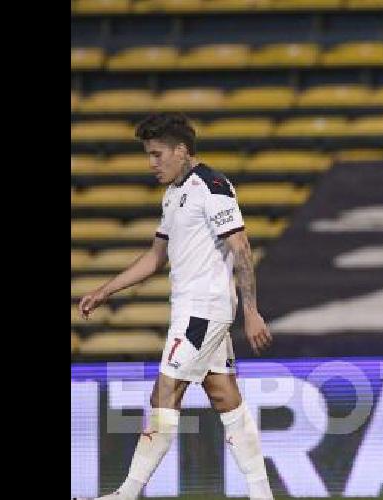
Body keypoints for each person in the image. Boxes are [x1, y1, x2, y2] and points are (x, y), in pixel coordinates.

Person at [77, 112, 274, 500]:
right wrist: (106, 290)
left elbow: (241, 248)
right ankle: (262, 493)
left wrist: (251, 311)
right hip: (194, 309)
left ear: (181, 151)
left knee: (165, 393)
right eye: (148, 155)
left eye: (157, 154)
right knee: (223, 394)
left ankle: (127, 493)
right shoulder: (173, 194)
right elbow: (154, 258)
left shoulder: (213, 186)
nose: (152, 163)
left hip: (204, 310)